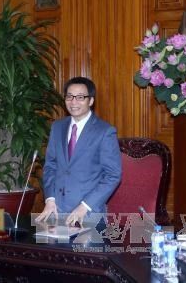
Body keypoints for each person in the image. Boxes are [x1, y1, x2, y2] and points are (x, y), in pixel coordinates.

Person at [36, 77, 122, 226]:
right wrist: (50, 199)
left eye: (80, 97)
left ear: (91, 101)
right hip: (56, 213)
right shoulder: (57, 127)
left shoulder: (105, 131)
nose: (73, 102)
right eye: (69, 96)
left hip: (89, 215)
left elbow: (113, 175)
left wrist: (85, 206)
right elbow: (51, 166)